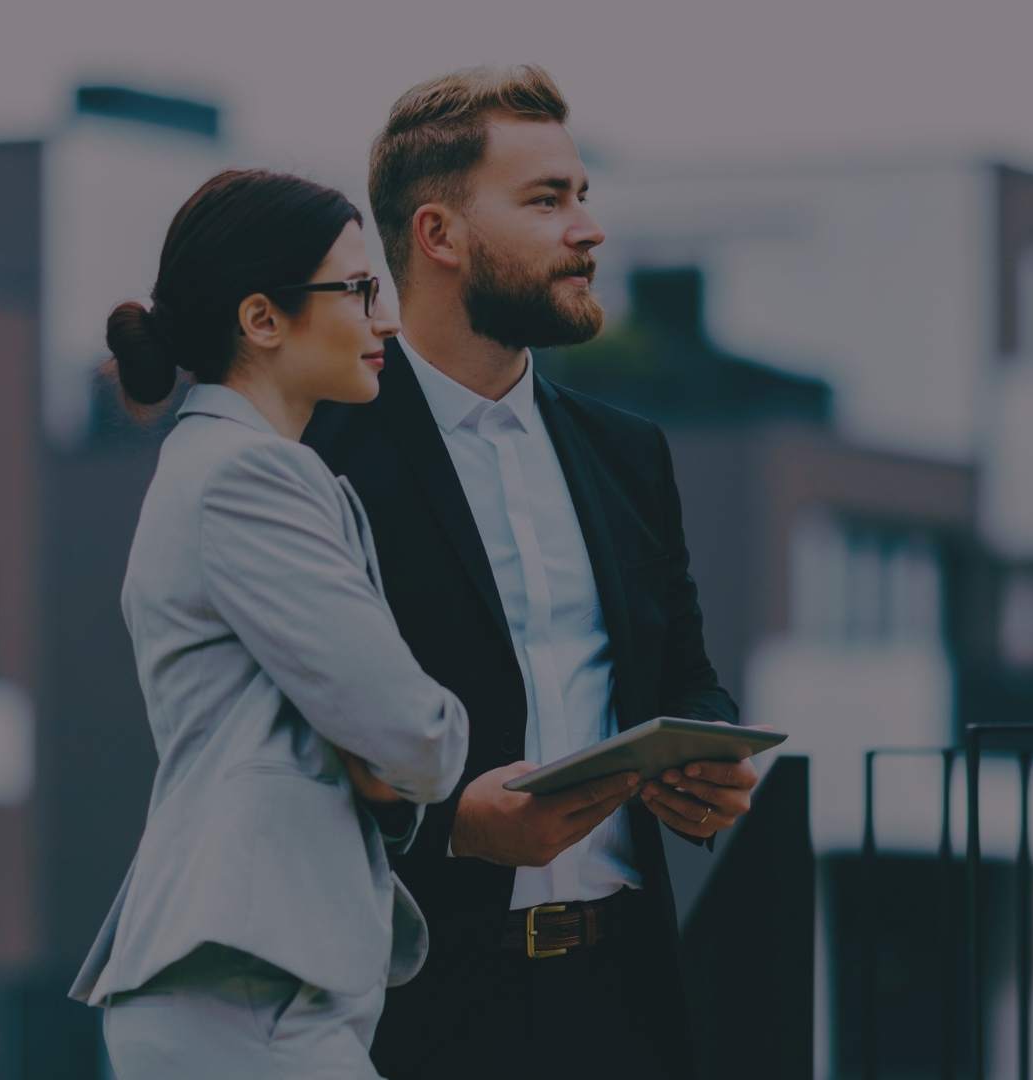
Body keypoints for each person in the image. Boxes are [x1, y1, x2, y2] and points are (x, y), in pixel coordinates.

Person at [302, 65, 756, 1079]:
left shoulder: (630, 454)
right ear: (440, 236)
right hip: (412, 1015)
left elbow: (684, 666)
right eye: (547, 201)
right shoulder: (321, 458)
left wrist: (707, 754)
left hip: (624, 1005)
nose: (587, 230)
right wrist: (451, 830)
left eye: (582, 197)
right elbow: (281, 748)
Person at [67, 168, 470, 1078]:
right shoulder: (250, 477)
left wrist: (384, 762)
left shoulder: (224, 466)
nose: (388, 319)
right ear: (261, 320)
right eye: (361, 289)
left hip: (249, 991)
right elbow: (413, 733)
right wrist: (408, 756)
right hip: (246, 997)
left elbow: (380, 743)